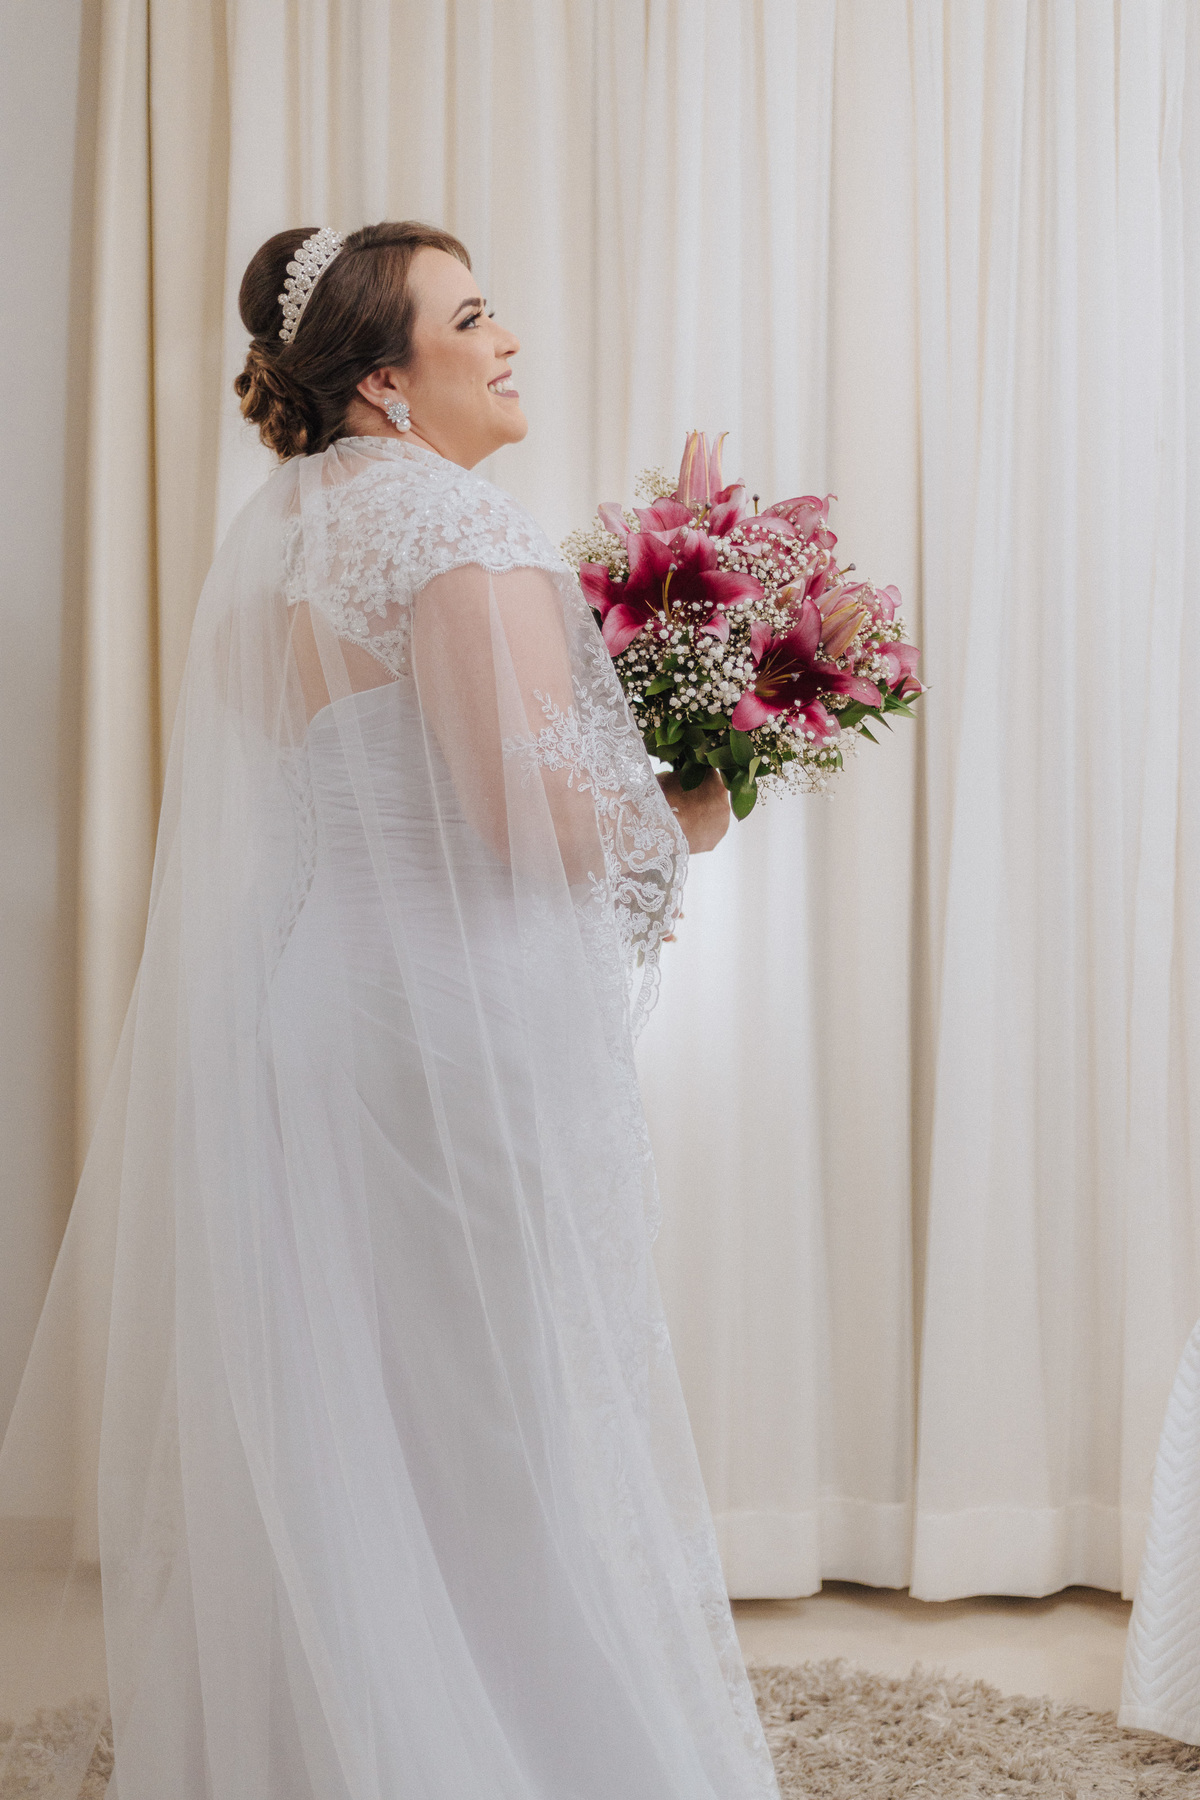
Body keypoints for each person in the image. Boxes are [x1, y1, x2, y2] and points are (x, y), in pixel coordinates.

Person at [0, 220, 777, 1799]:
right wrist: (684, 811)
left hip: (316, 1003)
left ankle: (327, 1743)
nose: (507, 339)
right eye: (471, 317)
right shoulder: (455, 529)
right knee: (493, 1410)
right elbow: (527, 822)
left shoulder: (287, 536)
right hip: (446, 1023)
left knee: (353, 1413)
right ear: (385, 381)